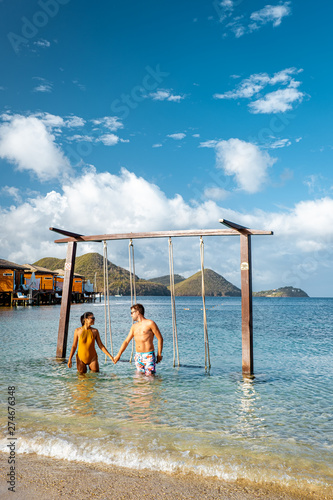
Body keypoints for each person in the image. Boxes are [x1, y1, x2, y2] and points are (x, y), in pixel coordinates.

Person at [113, 304, 163, 375]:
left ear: (138, 312)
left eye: (132, 313)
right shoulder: (134, 326)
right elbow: (126, 341)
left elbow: (160, 338)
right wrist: (118, 355)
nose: (131, 315)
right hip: (138, 356)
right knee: (139, 381)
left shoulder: (150, 323)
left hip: (148, 355)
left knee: (150, 379)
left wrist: (159, 354)